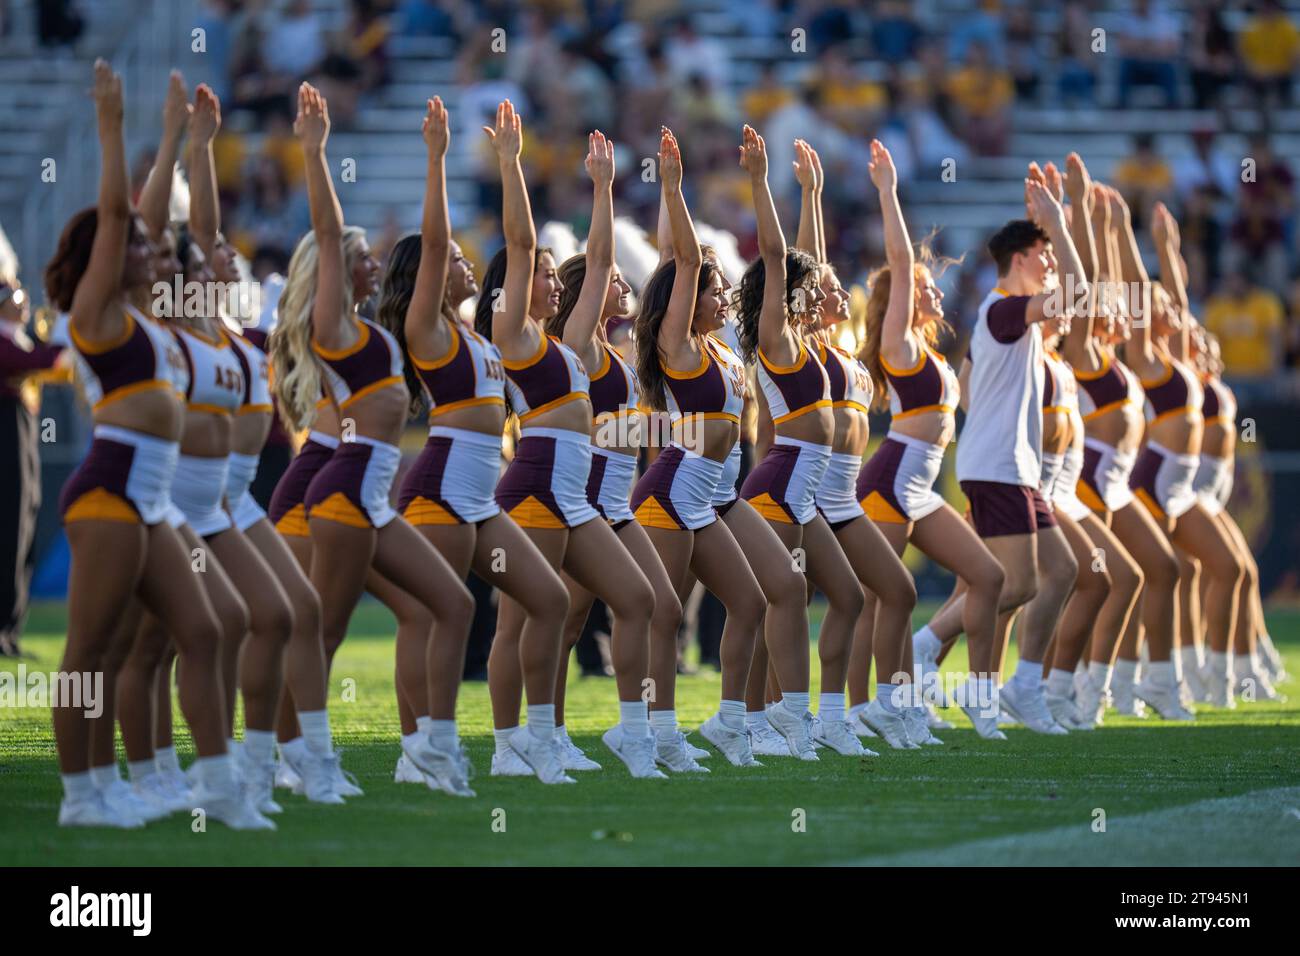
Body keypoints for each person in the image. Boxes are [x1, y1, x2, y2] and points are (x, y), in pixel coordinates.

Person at [47, 61, 250, 829]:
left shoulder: (155, 319)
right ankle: (84, 794)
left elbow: (159, 227)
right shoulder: (98, 315)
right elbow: (120, 217)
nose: (153, 254)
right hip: (108, 493)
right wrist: (115, 128)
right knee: (89, 654)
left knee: (201, 627)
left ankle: (207, 783)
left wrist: (175, 139)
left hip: (152, 499)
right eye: (137, 249)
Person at [267, 82, 476, 797]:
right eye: (358, 255)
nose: (366, 260)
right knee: (318, 630)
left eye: (365, 256)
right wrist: (317, 151)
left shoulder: (377, 337)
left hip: (362, 491)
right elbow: (330, 234)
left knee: (445, 605)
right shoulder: (338, 333)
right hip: (342, 491)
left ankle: (428, 749)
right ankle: (306, 759)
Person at [377, 95, 570, 792]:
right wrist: (436, 158)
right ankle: (423, 746)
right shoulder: (428, 333)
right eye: (453, 259)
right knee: (436, 615)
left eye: (463, 259)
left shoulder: (483, 339)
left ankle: (517, 743)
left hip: (479, 494)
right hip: (437, 489)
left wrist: (513, 163)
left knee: (546, 600)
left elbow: (520, 247)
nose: (463, 263)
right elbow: (433, 244)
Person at [474, 101, 657, 784]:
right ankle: (512, 744)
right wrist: (512, 162)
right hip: (532, 488)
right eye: (547, 275)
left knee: (635, 601)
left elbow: (603, 258)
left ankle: (627, 734)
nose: (554, 280)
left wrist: (605, 187)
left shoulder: (573, 345)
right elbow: (521, 247)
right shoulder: (515, 339)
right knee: (523, 624)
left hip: (571, 495)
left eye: (557, 275)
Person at [540, 131, 689, 772]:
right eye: (610, 281)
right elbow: (598, 263)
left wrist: (670, 435)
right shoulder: (582, 349)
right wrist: (602, 187)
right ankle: (542, 733)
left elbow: (618, 431)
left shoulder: (622, 357)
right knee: (561, 622)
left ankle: (635, 731)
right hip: (577, 504)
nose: (623, 283)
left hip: (613, 504)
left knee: (654, 605)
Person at [854, 139, 1006, 743]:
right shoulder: (900, 345)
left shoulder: (934, 352)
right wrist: (888, 190)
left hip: (919, 486)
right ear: (902, 299)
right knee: (882, 599)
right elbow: (896, 251)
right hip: (890, 480)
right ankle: (871, 708)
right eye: (923, 285)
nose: (935, 290)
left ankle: (964, 696)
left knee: (989, 577)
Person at [630, 127, 768, 768]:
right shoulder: (678, 349)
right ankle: (656, 732)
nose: (721, 296)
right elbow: (680, 260)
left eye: (719, 289)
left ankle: (730, 723)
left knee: (753, 600)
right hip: (673, 490)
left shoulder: (722, 349)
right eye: (713, 291)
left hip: (715, 496)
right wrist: (672, 187)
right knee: (663, 616)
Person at [732, 127, 865, 761]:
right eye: (796, 284)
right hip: (780, 485)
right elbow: (783, 257)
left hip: (804, 491)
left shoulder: (810, 340)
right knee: (777, 602)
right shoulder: (776, 339)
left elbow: (806, 259)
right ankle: (774, 720)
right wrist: (762, 181)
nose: (818, 289)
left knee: (846, 595)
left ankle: (822, 718)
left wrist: (812, 194)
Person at [951, 166, 1093, 735]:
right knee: (1015, 583)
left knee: (1058, 572)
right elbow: (1079, 297)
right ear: (1019, 260)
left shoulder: (1008, 319)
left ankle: (1021, 685)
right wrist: (1059, 219)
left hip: (1013, 468)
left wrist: (1056, 222)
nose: (1051, 265)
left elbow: (965, 387)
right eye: (1045, 255)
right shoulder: (1004, 310)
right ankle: (935, 651)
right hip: (999, 470)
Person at [791, 139, 916, 753]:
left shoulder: (848, 353)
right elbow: (806, 264)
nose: (840, 292)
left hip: (844, 498)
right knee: (780, 607)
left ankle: (864, 711)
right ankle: (777, 717)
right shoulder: (805, 345)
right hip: (801, 495)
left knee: (895, 591)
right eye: (828, 288)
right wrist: (812, 196)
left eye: (840, 287)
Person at [0, 275, 66, 658]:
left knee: (25, 522)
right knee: (9, 527)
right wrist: (60, 343)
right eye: (16, 297)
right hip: (6, 432)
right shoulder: (7, 342)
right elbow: (38, 361)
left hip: (21, 432)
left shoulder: (17, 337)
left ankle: (11, 629)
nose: (24, 304)